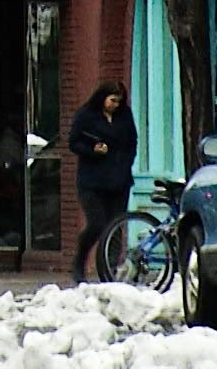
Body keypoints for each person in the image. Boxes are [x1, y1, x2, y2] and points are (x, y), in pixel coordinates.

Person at [68, 80, 138, 283]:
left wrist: (126, 162)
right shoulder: (86, 115)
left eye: (119, 101)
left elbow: (132, 141)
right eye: (112, 100)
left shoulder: (124, 116)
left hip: (119, 179)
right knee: (97, 223)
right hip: (92, 181)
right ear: (102, 98)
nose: (115, 105)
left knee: (116, 226)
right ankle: (80, 261)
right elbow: (74, 142)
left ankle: (109, 269)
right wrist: (93, 150)